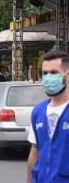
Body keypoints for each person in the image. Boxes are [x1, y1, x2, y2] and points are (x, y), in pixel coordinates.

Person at [27, 50, 69, 183]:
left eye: (54, 73)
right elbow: (34, 152)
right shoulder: (37, 111)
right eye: (45, 73)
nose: (48, 77)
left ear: (67, 76)